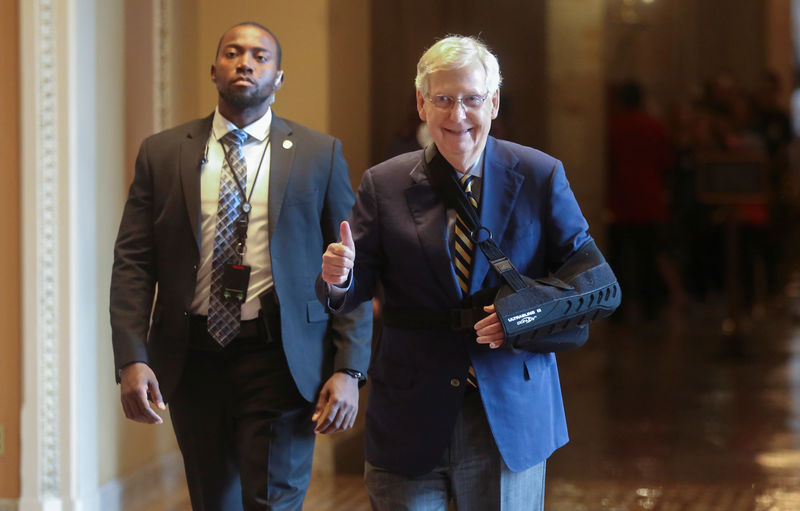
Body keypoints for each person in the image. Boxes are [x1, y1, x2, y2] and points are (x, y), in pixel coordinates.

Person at [318, 35, 601, 510]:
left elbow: (589, 282)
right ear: (421, 104)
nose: (457, 116)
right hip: (411, 410)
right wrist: (340, 278)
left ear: (492, 102)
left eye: (471, 99)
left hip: (510, 407)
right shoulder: (383, 183)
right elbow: (356, 286)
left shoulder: (539, 174)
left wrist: (524, 315)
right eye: (443, 99)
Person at [110, 21, 372, 511]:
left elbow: (349, 265)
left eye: (259, 56)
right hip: (193, 358)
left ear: (278, 77)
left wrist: (350, 368)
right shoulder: (164, 153)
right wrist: (131, 356)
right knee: (214, 502)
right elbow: (133, 262)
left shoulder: (319, 154)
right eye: (233, 53)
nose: (245, 62)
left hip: (281, 356)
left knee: (273, 502)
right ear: (214, 70)